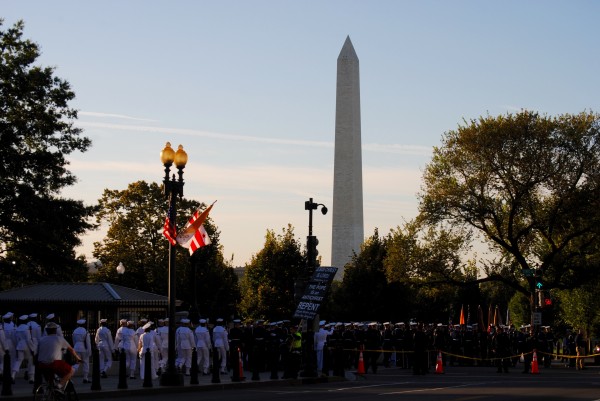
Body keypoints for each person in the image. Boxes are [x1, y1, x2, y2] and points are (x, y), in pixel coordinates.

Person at [36, 322, 81, 392]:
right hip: (54, 363)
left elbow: (38, 351)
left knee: (50, 380)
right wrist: (78, 358)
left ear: (46, 331)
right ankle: (59, 387)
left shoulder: (41, 340)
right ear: (55, 330)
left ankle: (50, 392)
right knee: (70, 371)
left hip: (42, 364)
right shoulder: (59, 339)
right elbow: (71, 349)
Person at [12, 314, 34, 383]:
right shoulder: (27, 328)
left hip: (19, 345)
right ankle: (31, 377)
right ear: (26, 321)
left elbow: (16, 339)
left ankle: (12, 375)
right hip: (27, 346)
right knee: (30, 360)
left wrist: (17, 346)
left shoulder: (17, 328)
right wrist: (32, 349)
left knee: (18, 361)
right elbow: (28, 339)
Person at [71, 319, 91, 383]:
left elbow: (73, 340)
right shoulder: (85, 331)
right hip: (83, 348)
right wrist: (89, 351)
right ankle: (85, 378)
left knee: (77, 363)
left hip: (76, 347)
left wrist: (75, 347)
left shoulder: (75, 331)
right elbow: (88, 342)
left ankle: (69, 374)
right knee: (86, 363)